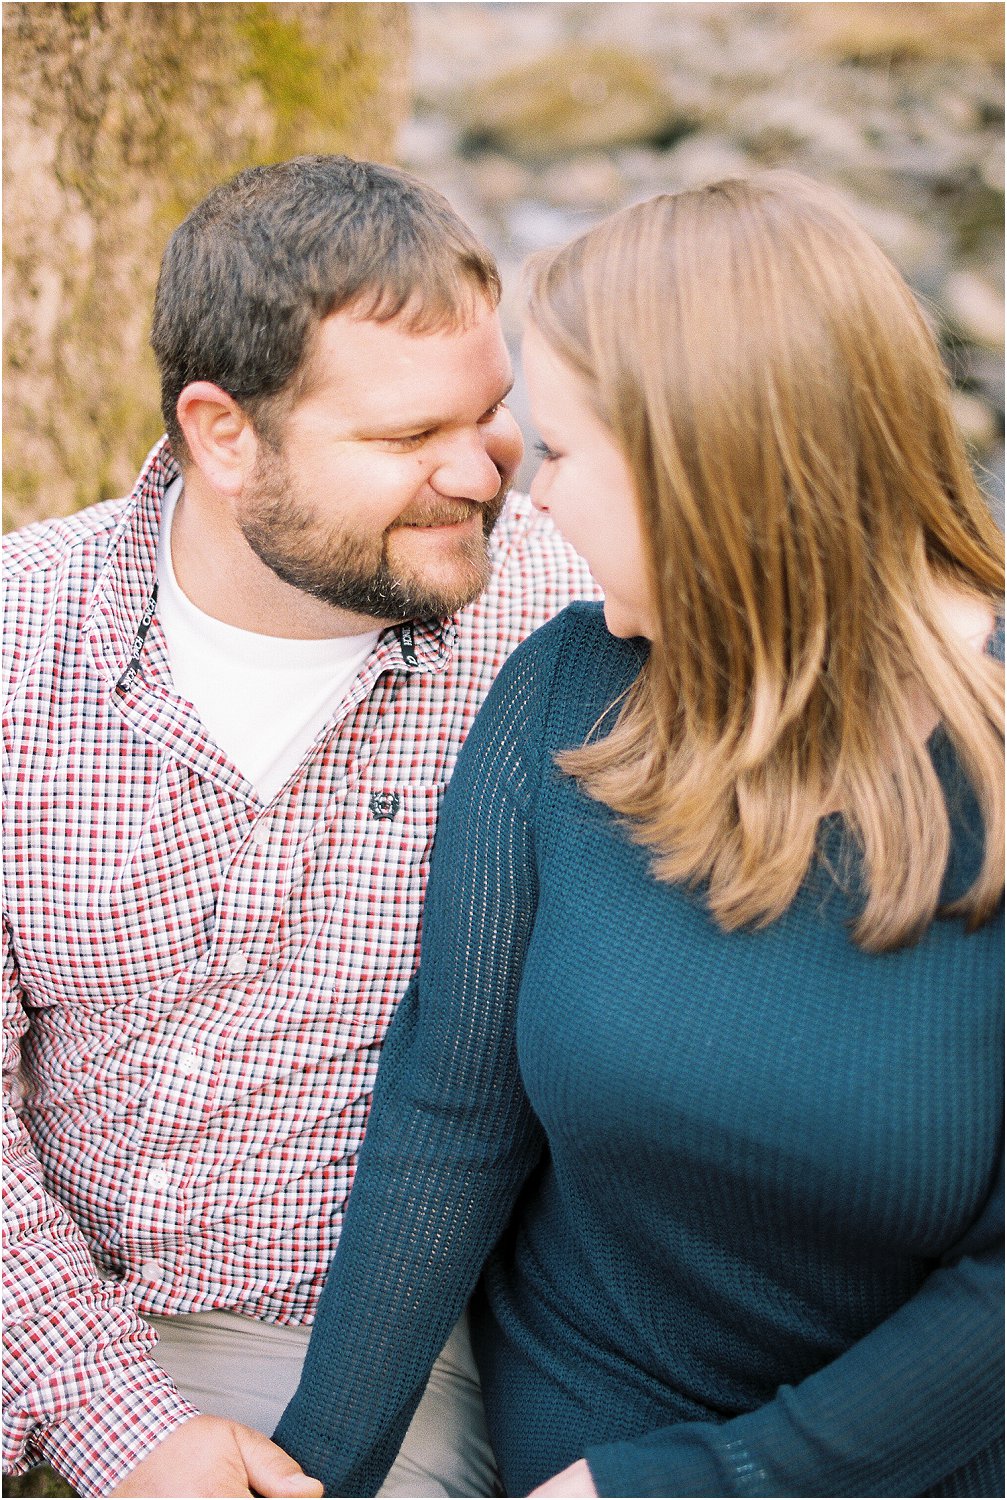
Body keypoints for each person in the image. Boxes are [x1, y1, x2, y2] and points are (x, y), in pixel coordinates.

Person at [272, 172, 1005, 1499]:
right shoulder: (564, 691)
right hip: (571, 1419)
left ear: (713, 473)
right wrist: (314, 1473)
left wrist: (703, 1483)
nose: (532, 500)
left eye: (568, 449)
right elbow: (450, 1116)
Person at [2, 154, 596, 1499]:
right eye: (403, 440)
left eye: (493, 416)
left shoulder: (570, 635)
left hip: (327, 1350)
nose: (481, 474)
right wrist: (116, 1423)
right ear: (223, 435)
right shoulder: (18, 638)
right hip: (27, 1278)